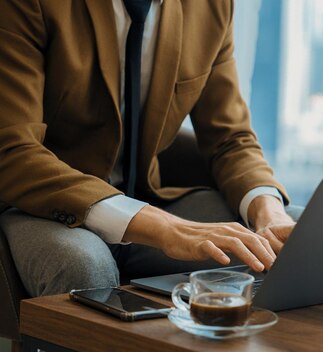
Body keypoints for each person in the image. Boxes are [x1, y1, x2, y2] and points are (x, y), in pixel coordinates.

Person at [0, 0, 299, 297]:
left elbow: (230, 138)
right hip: (40, 204)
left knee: (296, 242)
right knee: (83, 265)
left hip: (147, 195)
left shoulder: (212, 6)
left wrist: (269, 214)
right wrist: (165, 227)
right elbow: (12, 150)